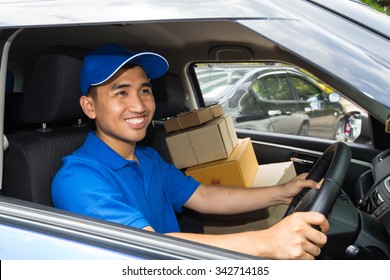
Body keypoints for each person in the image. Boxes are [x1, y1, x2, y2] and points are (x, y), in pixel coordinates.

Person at [52, 43, 329, 260]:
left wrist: (281, 193)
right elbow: (149, 249)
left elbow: (204, 196)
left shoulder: (147, 157)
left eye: (144, 90)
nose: (139, 106)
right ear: (89, 107)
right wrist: (269, 242)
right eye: (121, 92)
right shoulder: (78, 180)